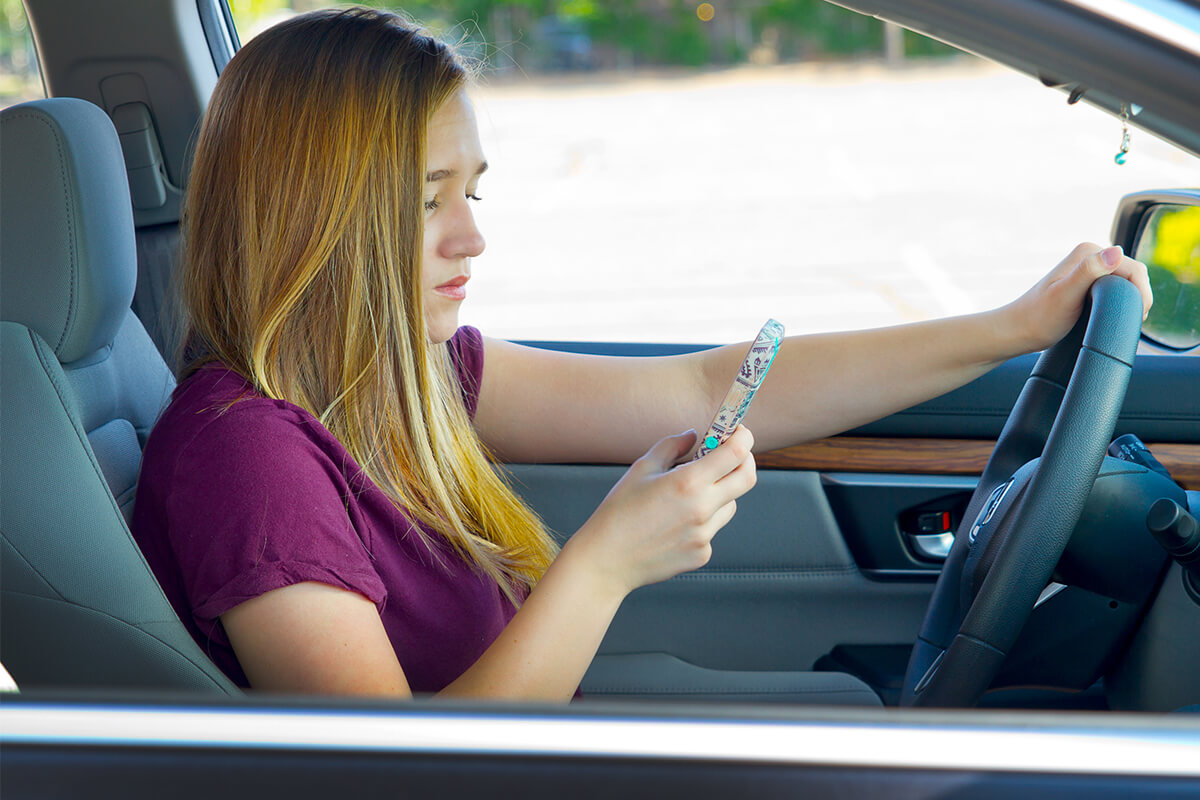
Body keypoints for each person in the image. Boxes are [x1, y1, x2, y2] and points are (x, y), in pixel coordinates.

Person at [130, 7, 1152, 700]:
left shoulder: (397, 380)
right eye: (425, 200)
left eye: (471, 192)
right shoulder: (248, 458)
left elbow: (703, 384)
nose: (471, 239)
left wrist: (1010, 326)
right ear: (315, 217)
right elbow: (395, 771)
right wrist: (607, 563)